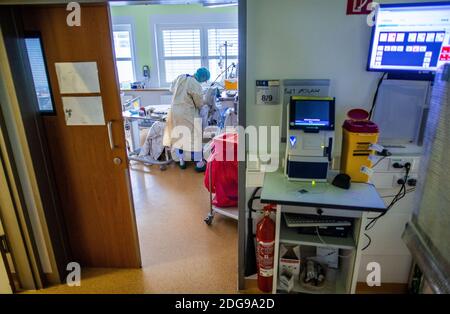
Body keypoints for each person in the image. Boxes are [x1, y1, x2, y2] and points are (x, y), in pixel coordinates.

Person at [166, 67, 210, 172]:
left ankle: (181, 161)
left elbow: (171, 89)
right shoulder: (195, 84)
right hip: (187, 112)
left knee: (179, 135)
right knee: (195, 136)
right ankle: (199, 163)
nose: (203, 82)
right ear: (202, 78)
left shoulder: (181, 77)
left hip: (174, 111)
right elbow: (199, 103)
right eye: (204, 80)